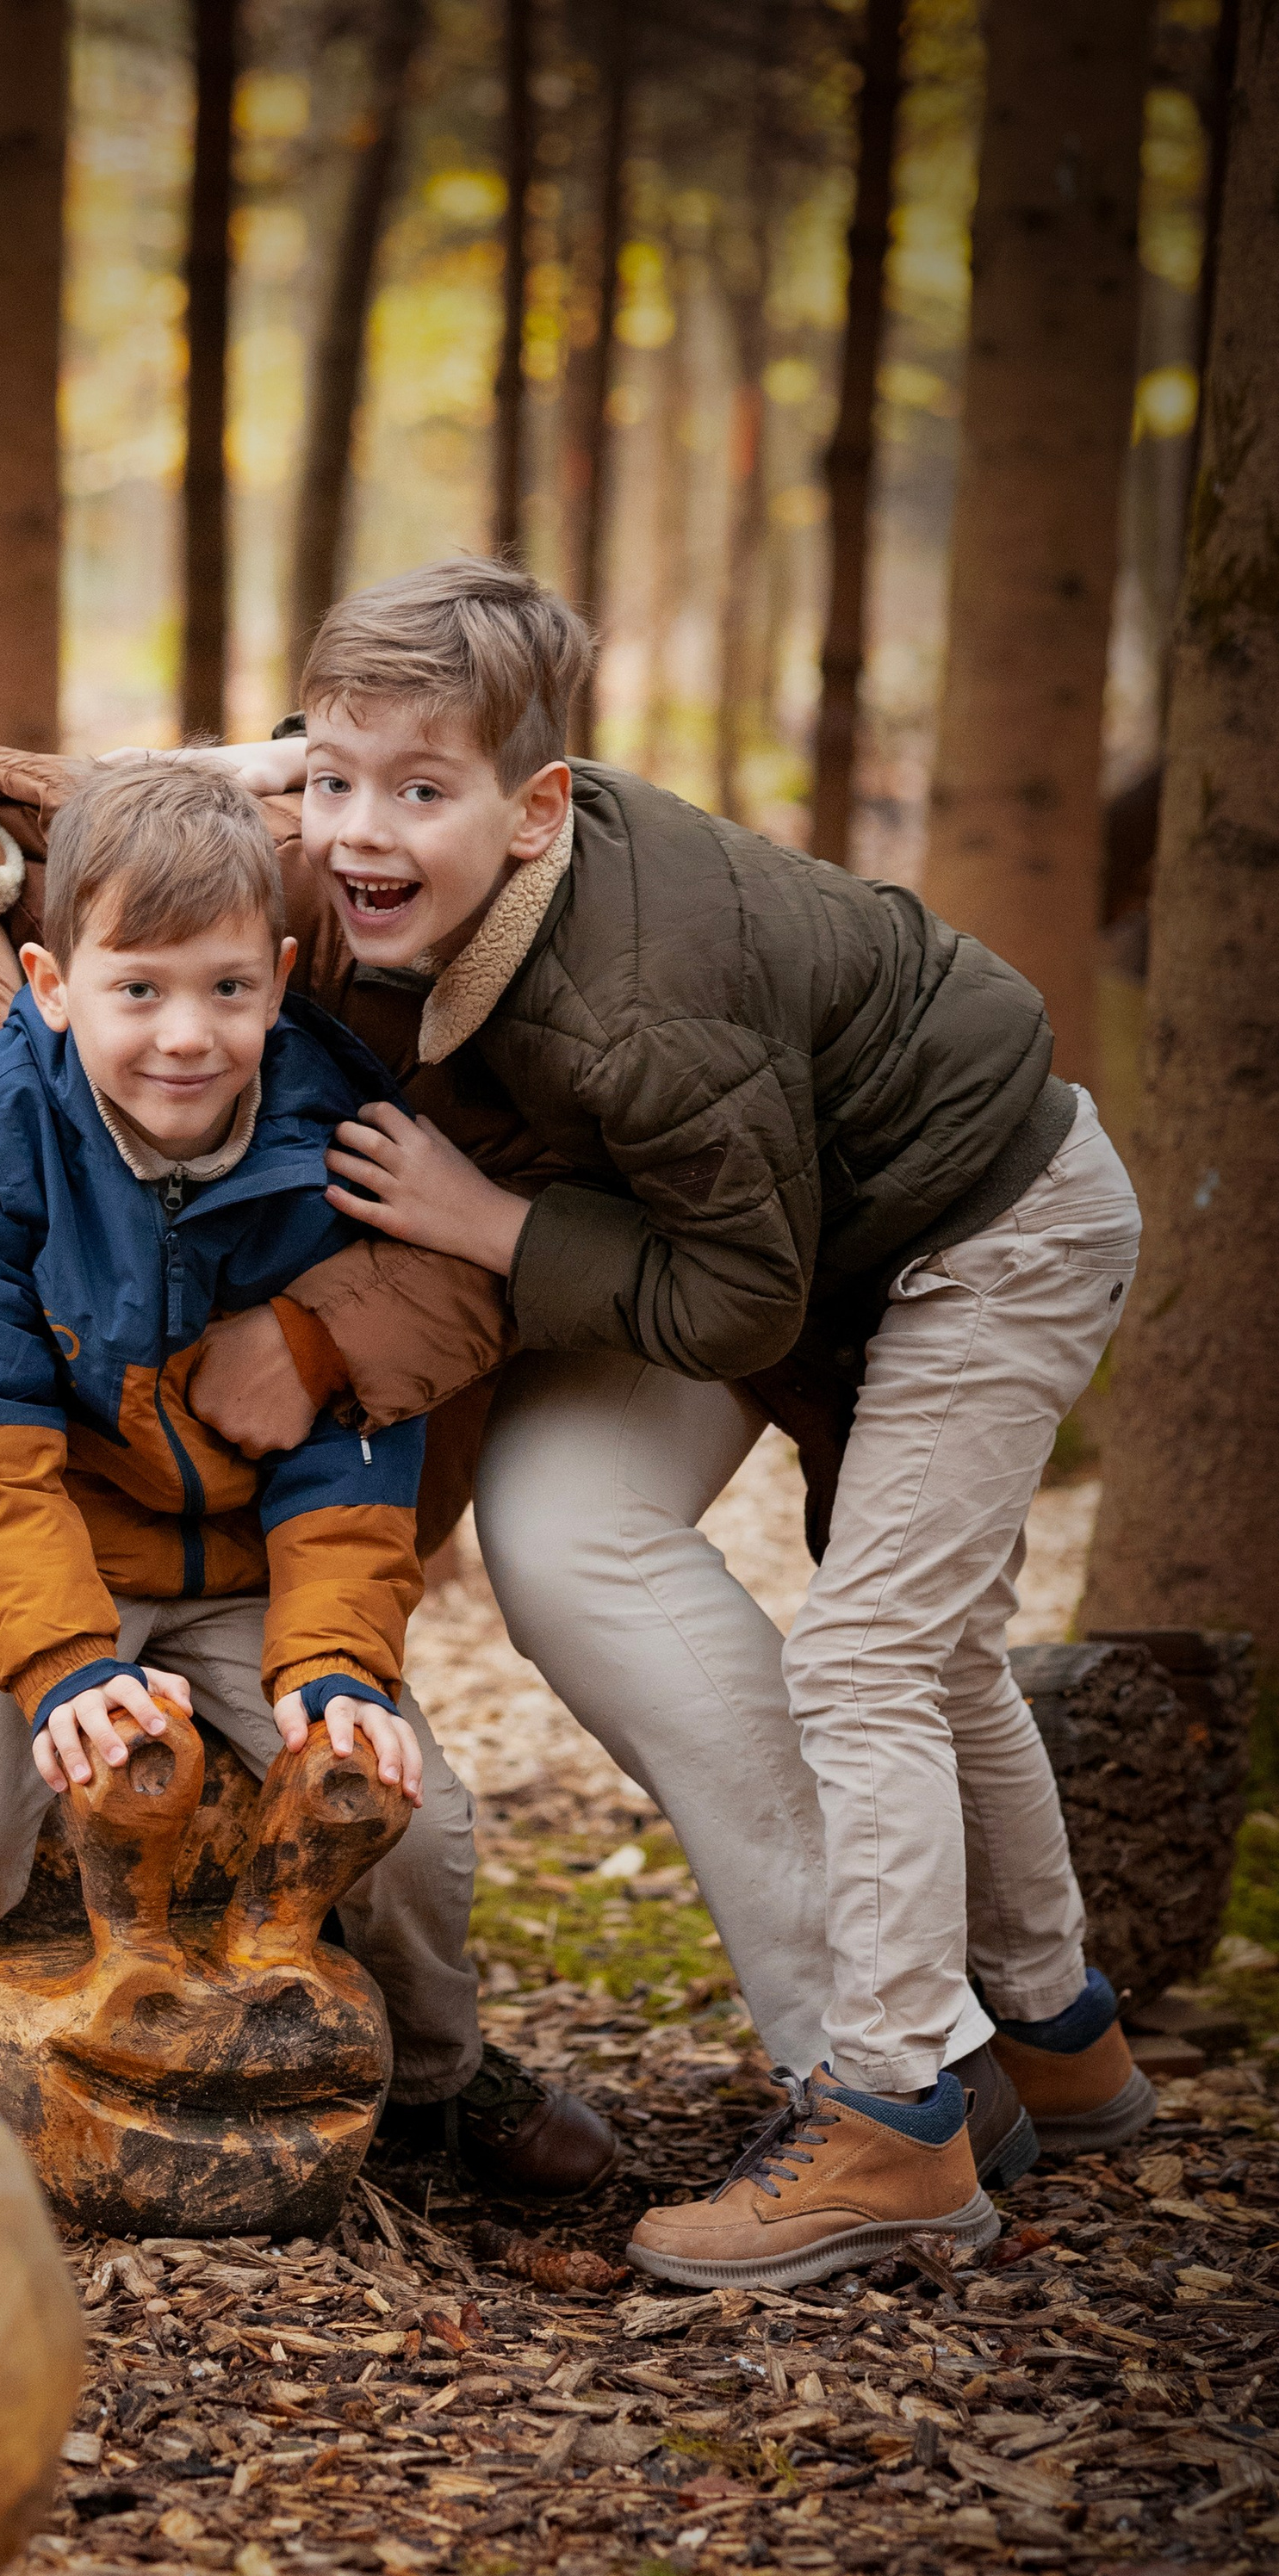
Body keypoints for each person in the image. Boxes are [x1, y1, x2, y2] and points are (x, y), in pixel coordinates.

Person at [176, 554, 1151, 2288]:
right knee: (638, 1549)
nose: (353, 833)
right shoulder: (416, 859)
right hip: (781, 1215)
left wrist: (486, 1226)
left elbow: (736, 1303)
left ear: (538, 807)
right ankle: (1055, 2033)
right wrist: (241, 781)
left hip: (977, 1228)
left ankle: (896, 2116)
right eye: (328, 779)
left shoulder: (630, 1011)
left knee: (878, 1650)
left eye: (417, 790)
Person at [0, 753, 615, 2194]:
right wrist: (62, 1665)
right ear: (55, 982)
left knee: (416, 1813)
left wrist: (338, 1663)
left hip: (228, 1551)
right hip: (14, 1540)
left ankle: (435, 2083)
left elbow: (351, 1437)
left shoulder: (313, 1110)